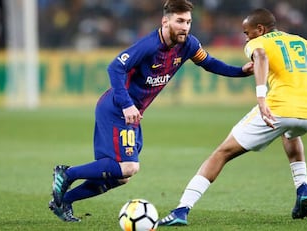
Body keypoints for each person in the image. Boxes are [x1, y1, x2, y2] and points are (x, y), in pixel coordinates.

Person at [48, 0, 254, 222]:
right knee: (128, 167)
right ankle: (66, 174)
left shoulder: (189, 45)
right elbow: (115, 67)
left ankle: (64, 200)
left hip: (132, 113)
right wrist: (127, 105)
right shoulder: (149, 45)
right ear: (165, 21)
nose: (185, 27)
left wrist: (241, 72)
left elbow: (210, 63)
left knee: (120, 177)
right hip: (117, 108)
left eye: (188, 22)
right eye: (180, 21)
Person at [159, 8, 307, 226]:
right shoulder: (305, 43)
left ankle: (182, 209)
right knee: (289, 133)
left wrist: (261, 98)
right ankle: (303, 188)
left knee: (221, 153)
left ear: (259, 29)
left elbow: (260, 56)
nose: (246, 36)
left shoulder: (258, 43)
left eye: (247, 32)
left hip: (277, 109)